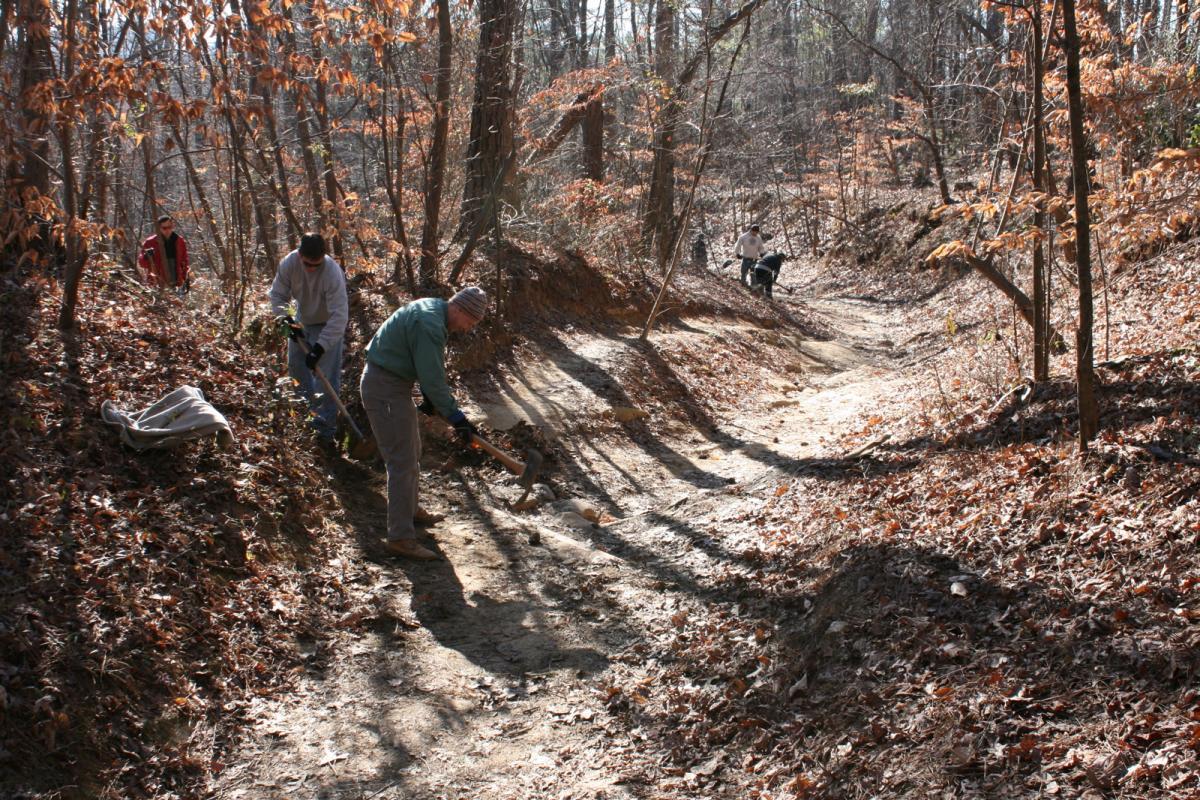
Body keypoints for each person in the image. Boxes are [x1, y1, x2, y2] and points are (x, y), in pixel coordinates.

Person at [360, 287, 488, 560]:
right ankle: (400, 536)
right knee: (402, 461)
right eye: (470, 322)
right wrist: (457, 418)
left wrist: (432, 400)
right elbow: (432, 379)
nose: (467, 329)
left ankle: (410, 509)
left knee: (412, 452)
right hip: (385, 388)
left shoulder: (431, 309)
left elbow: (425, 366)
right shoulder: (430, 323)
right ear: (460, 310)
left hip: (392, 383)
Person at [269, 232, 348, 443]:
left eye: (316, 264)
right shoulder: (289, 263)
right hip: (301, 322)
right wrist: (286, 319)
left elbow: (339, 316)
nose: (311, 268)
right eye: (307, 264)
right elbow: (277, 295)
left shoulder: (332, 273)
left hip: (328, 325)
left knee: (326, 378)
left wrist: (320, 348)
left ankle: (325, 432)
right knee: (297, 370)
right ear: (300, 255)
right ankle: (304, 422)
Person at [138, 215, 190, 294]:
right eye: (164, 228)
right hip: (158, 283)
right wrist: (146, 257)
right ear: (159, 228)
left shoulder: (179, 240)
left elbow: (184, 261)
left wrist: (185, 279)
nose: (168, 230)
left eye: (170, 227)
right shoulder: (150, 242)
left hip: (176, 281)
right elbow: (142, 263)